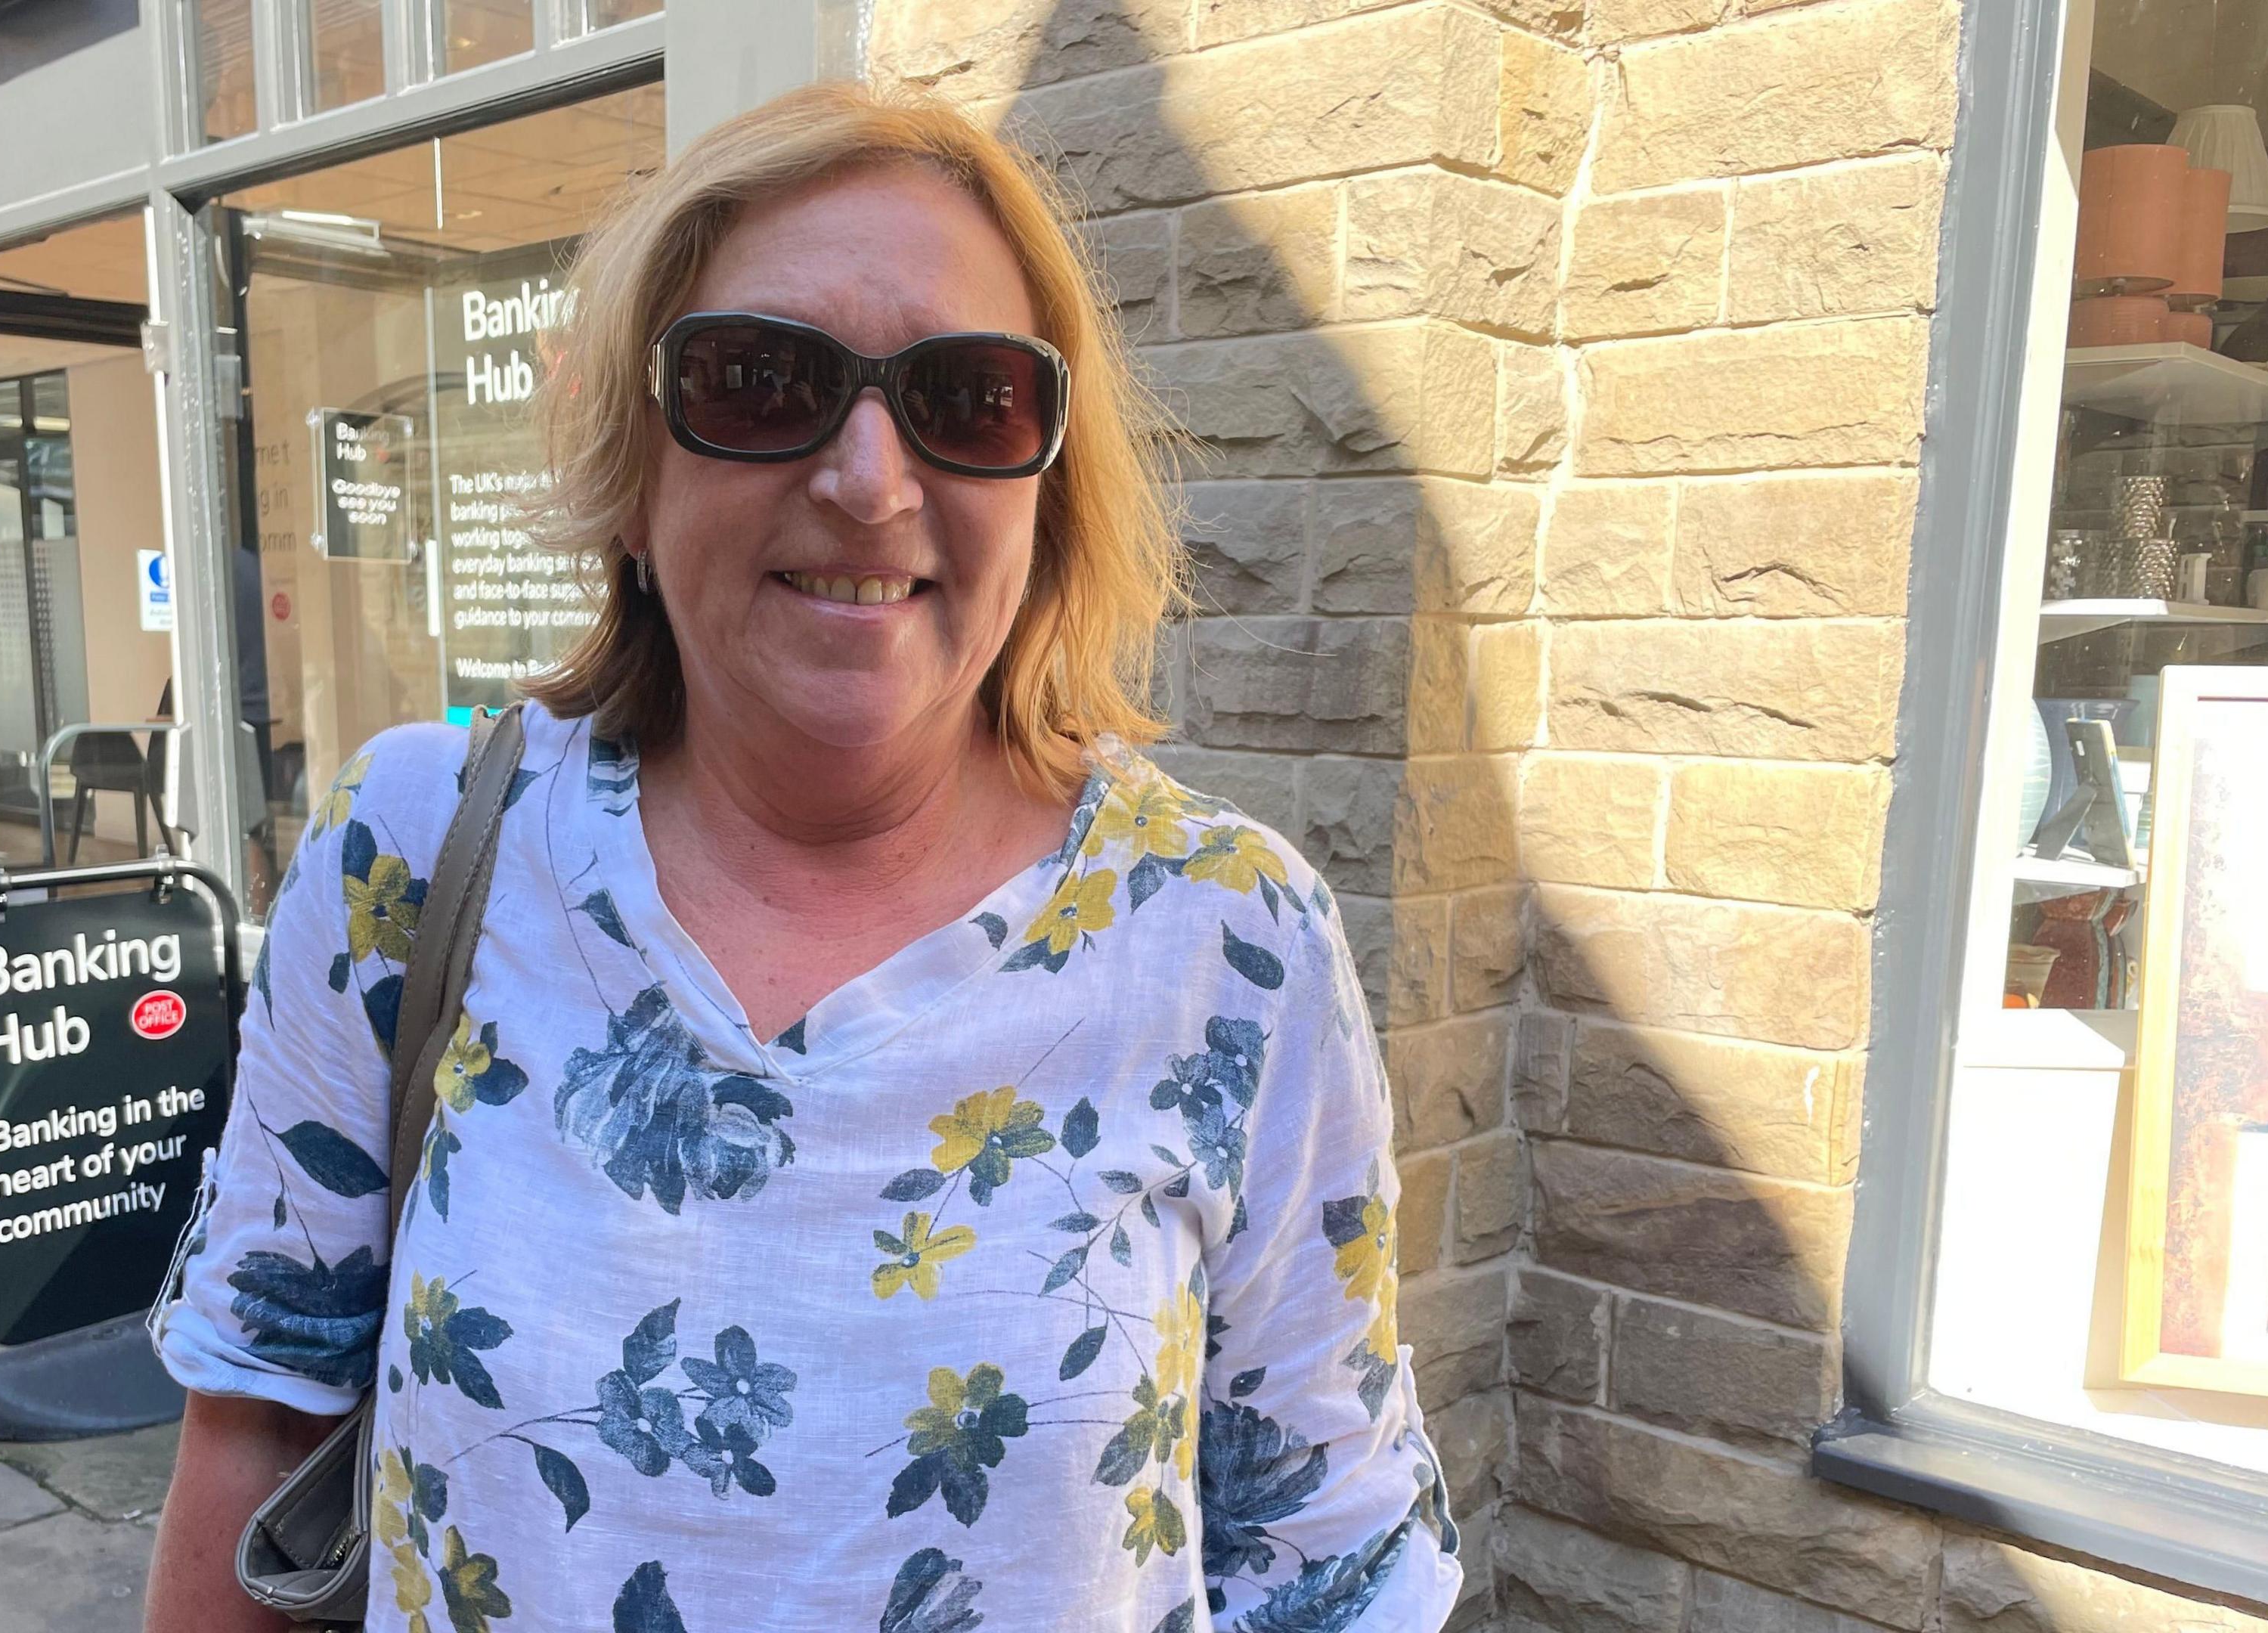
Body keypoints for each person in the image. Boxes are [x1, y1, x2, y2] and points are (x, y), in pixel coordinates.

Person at [144, 82, 1463, 1633]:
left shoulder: (1230, 942)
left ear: (1047, 483)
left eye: (968, 400)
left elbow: (1332, 1567)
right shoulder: (422, 854)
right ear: (635, 468)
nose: (870, 478)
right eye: (762, 382)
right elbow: (262, 1429)